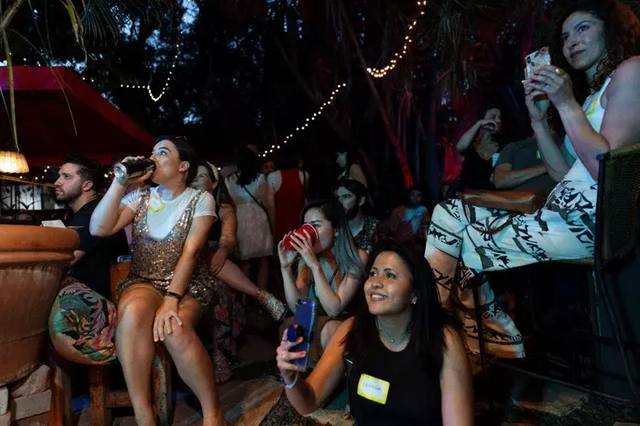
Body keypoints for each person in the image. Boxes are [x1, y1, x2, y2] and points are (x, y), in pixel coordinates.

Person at [425, 0, 640, 359]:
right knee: (448, 215)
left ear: (611, 30)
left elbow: (606, 169)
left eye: (583, 28)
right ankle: (480, 332)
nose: (572, 41)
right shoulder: (593, 97)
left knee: (453, 236)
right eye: (565, 36)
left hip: (589, 225)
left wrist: (566, 103)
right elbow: (561, 173)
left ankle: (442, 335)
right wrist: (539, 118)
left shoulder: (632, 70)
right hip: (561, 217)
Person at [90, 136, 226, 426]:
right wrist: (120, 181)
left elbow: (191, 252)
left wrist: (171, 300)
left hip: (187, 285)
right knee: (133, 310)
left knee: (174, 328)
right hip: (143, 280)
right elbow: (98, 228)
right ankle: (144, 415)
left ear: (183, 166)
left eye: (162, 153)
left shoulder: (200, 199)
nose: (152, 158)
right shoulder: (139, 197)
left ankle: (213, 414)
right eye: (151, 152)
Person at [276, 241, 473, 425]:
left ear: (415, 294)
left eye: (390, 275)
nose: (375, 283)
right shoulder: (353, 328)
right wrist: (290, 378)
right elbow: (308, 401)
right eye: (373, 273)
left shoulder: (444, 340)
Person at [192, 161, 286, 382]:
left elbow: (227, 237)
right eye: (193, 176)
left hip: (216, 262)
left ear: (214, 183)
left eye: (201, 176)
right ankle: (260, 294)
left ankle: (219, 355)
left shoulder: (223, 207)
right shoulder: (182, 204)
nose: (195, 180)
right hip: (189, 264)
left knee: (219, 289)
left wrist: (223, 250)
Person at [49, 155, 129, 365]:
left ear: (87, 185)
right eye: (59, 176)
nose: (57, 182)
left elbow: (65, 262)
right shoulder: (81, 213)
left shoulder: (93, 213)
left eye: (66, 177)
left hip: (104, 306)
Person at [278, 199, 367, 365]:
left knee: (329, 329)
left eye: (315, 226)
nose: (308, 233)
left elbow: (334, 309)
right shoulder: (308, 260)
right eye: (306, 227)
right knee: (293, 325)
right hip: (318, 324)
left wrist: (315, 266)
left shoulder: (357, 257)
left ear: (336, 230)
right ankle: (301, 378)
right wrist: (285, 268)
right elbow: (298, 307)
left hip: (349, 327)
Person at [225, 146, 275, 292]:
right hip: (258, 220)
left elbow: (228, 202)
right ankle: (263, 298)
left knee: (244, 264)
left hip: (239, 220)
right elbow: (266, 203)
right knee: (263, 263)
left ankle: (244, 297)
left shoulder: (229, 179)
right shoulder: (259, 178)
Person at [451, 106, 502, 194]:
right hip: (466, 194)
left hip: (490, 196)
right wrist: (479, 123)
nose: (497, 121)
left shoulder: (504, 146)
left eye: (500, 118)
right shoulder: (471, 144)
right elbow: (460, 147)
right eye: (493, 117)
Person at [335, 179, 389, 253]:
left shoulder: (377, 229)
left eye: (346, 196)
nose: (340, 201)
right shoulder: (333, 229)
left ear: (361, 201)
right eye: (337, 197)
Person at [493, 136, 558, 196]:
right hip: (521, 201)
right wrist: (548, 166)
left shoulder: (561, 145)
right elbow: (500, 181)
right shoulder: (515, 146)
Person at [268, 155, 309, 242]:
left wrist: (272, 227)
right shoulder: (304, 175)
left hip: (281, 223)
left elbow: (271, 206)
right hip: (300, 222)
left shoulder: (272, 177)